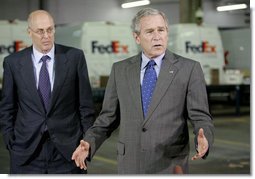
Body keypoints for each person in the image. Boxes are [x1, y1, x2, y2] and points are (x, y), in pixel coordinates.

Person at [72, 8, 214, 174]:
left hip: (170, 163)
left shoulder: (189, 69)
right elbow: (107, 118)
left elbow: (200, 116)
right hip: (130, 163)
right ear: (137, 37)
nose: (157, 36)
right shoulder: (120, 70)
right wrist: (89, 142)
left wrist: (204, 140)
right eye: (150, 31)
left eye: (161, 30)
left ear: (167, 32)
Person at [0, 10, 95, 174]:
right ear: (29, 32)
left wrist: (86, 141)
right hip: (26, 152)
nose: (46, 35)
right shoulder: (13, 63)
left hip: (68, 152)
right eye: (40, 31)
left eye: (50, 30)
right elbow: (7, 107)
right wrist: (10, 140)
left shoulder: (74, 57)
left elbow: (86, 106)